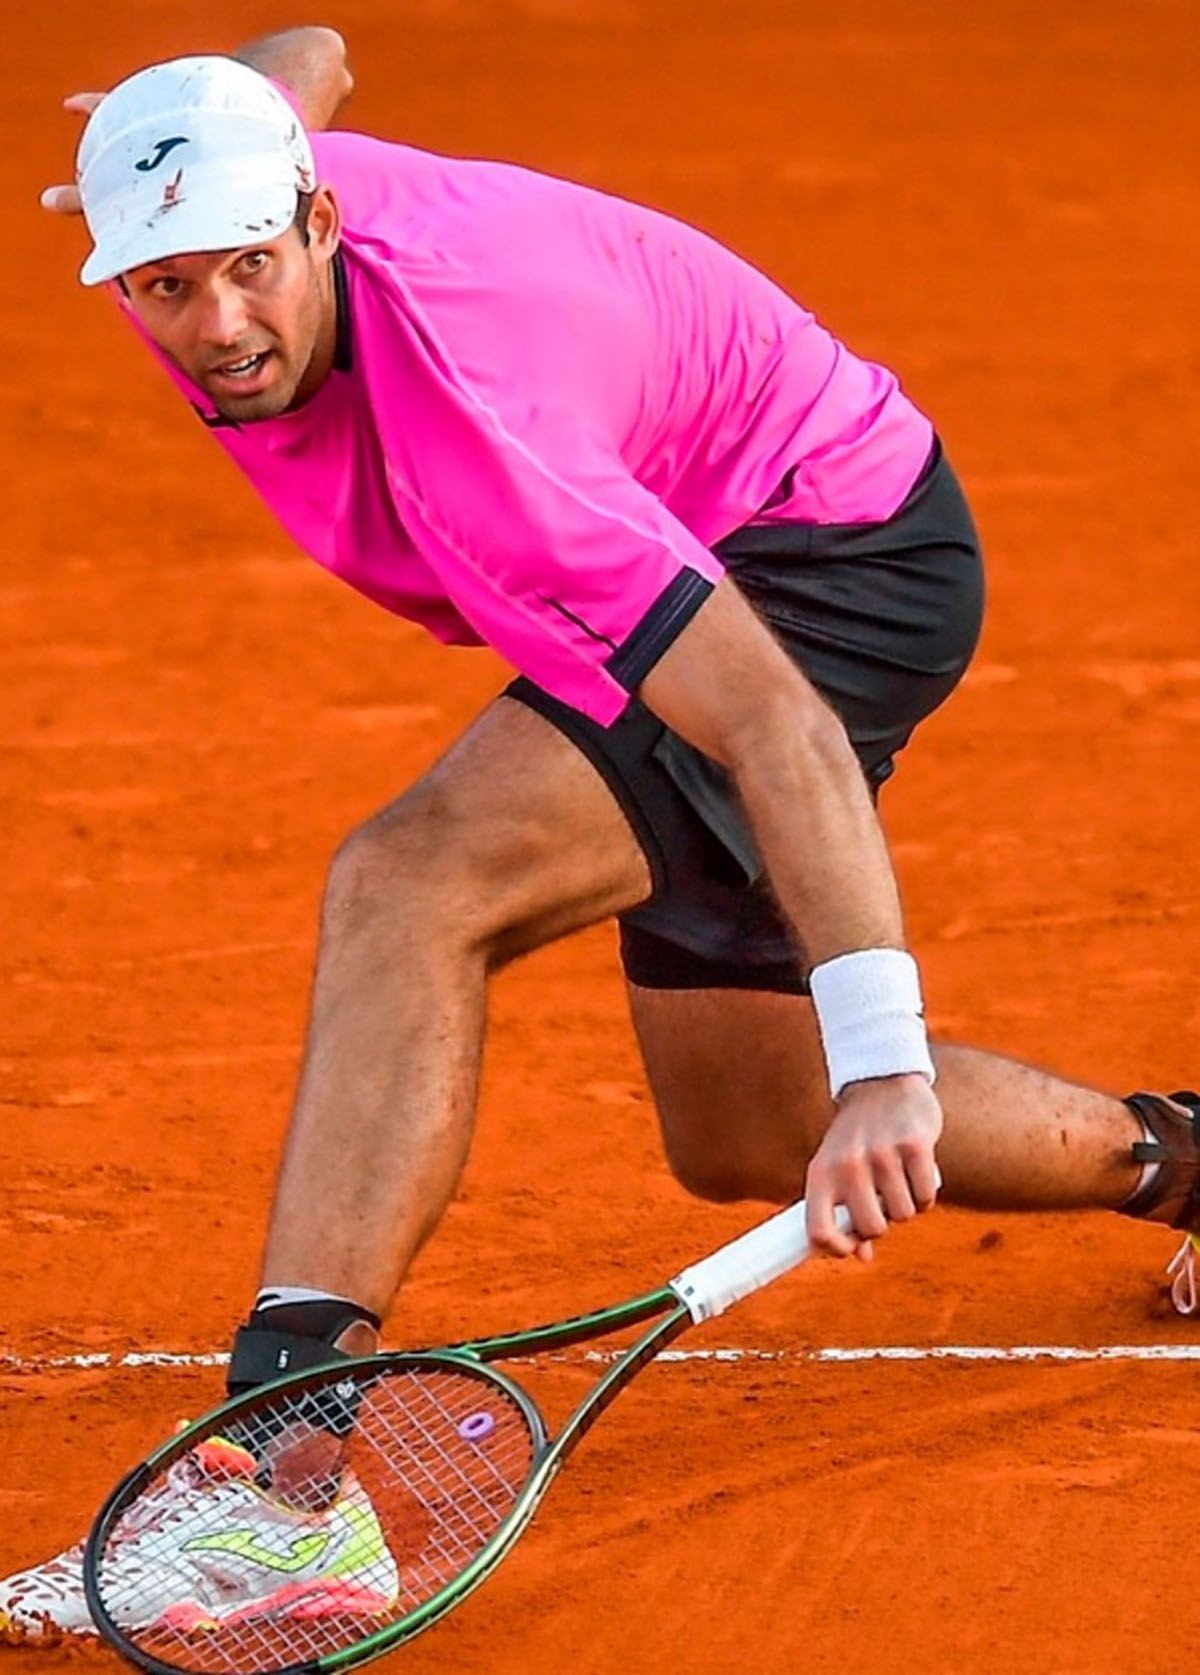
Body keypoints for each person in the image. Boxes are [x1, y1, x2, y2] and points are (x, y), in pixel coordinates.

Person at [2, 24, 1197, 1638]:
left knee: (412, 881)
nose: (221, 325)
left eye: (249, 271)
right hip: (707, 520)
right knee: (740, 1123)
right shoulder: (237, 164)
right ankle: (1185, 1162)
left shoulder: (486, 433)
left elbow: (773, 721)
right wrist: (167, 115)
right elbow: (315, 54)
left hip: (816, 557)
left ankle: (288, 1487)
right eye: (166, 286)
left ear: (319, 223)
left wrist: (887, 1057)